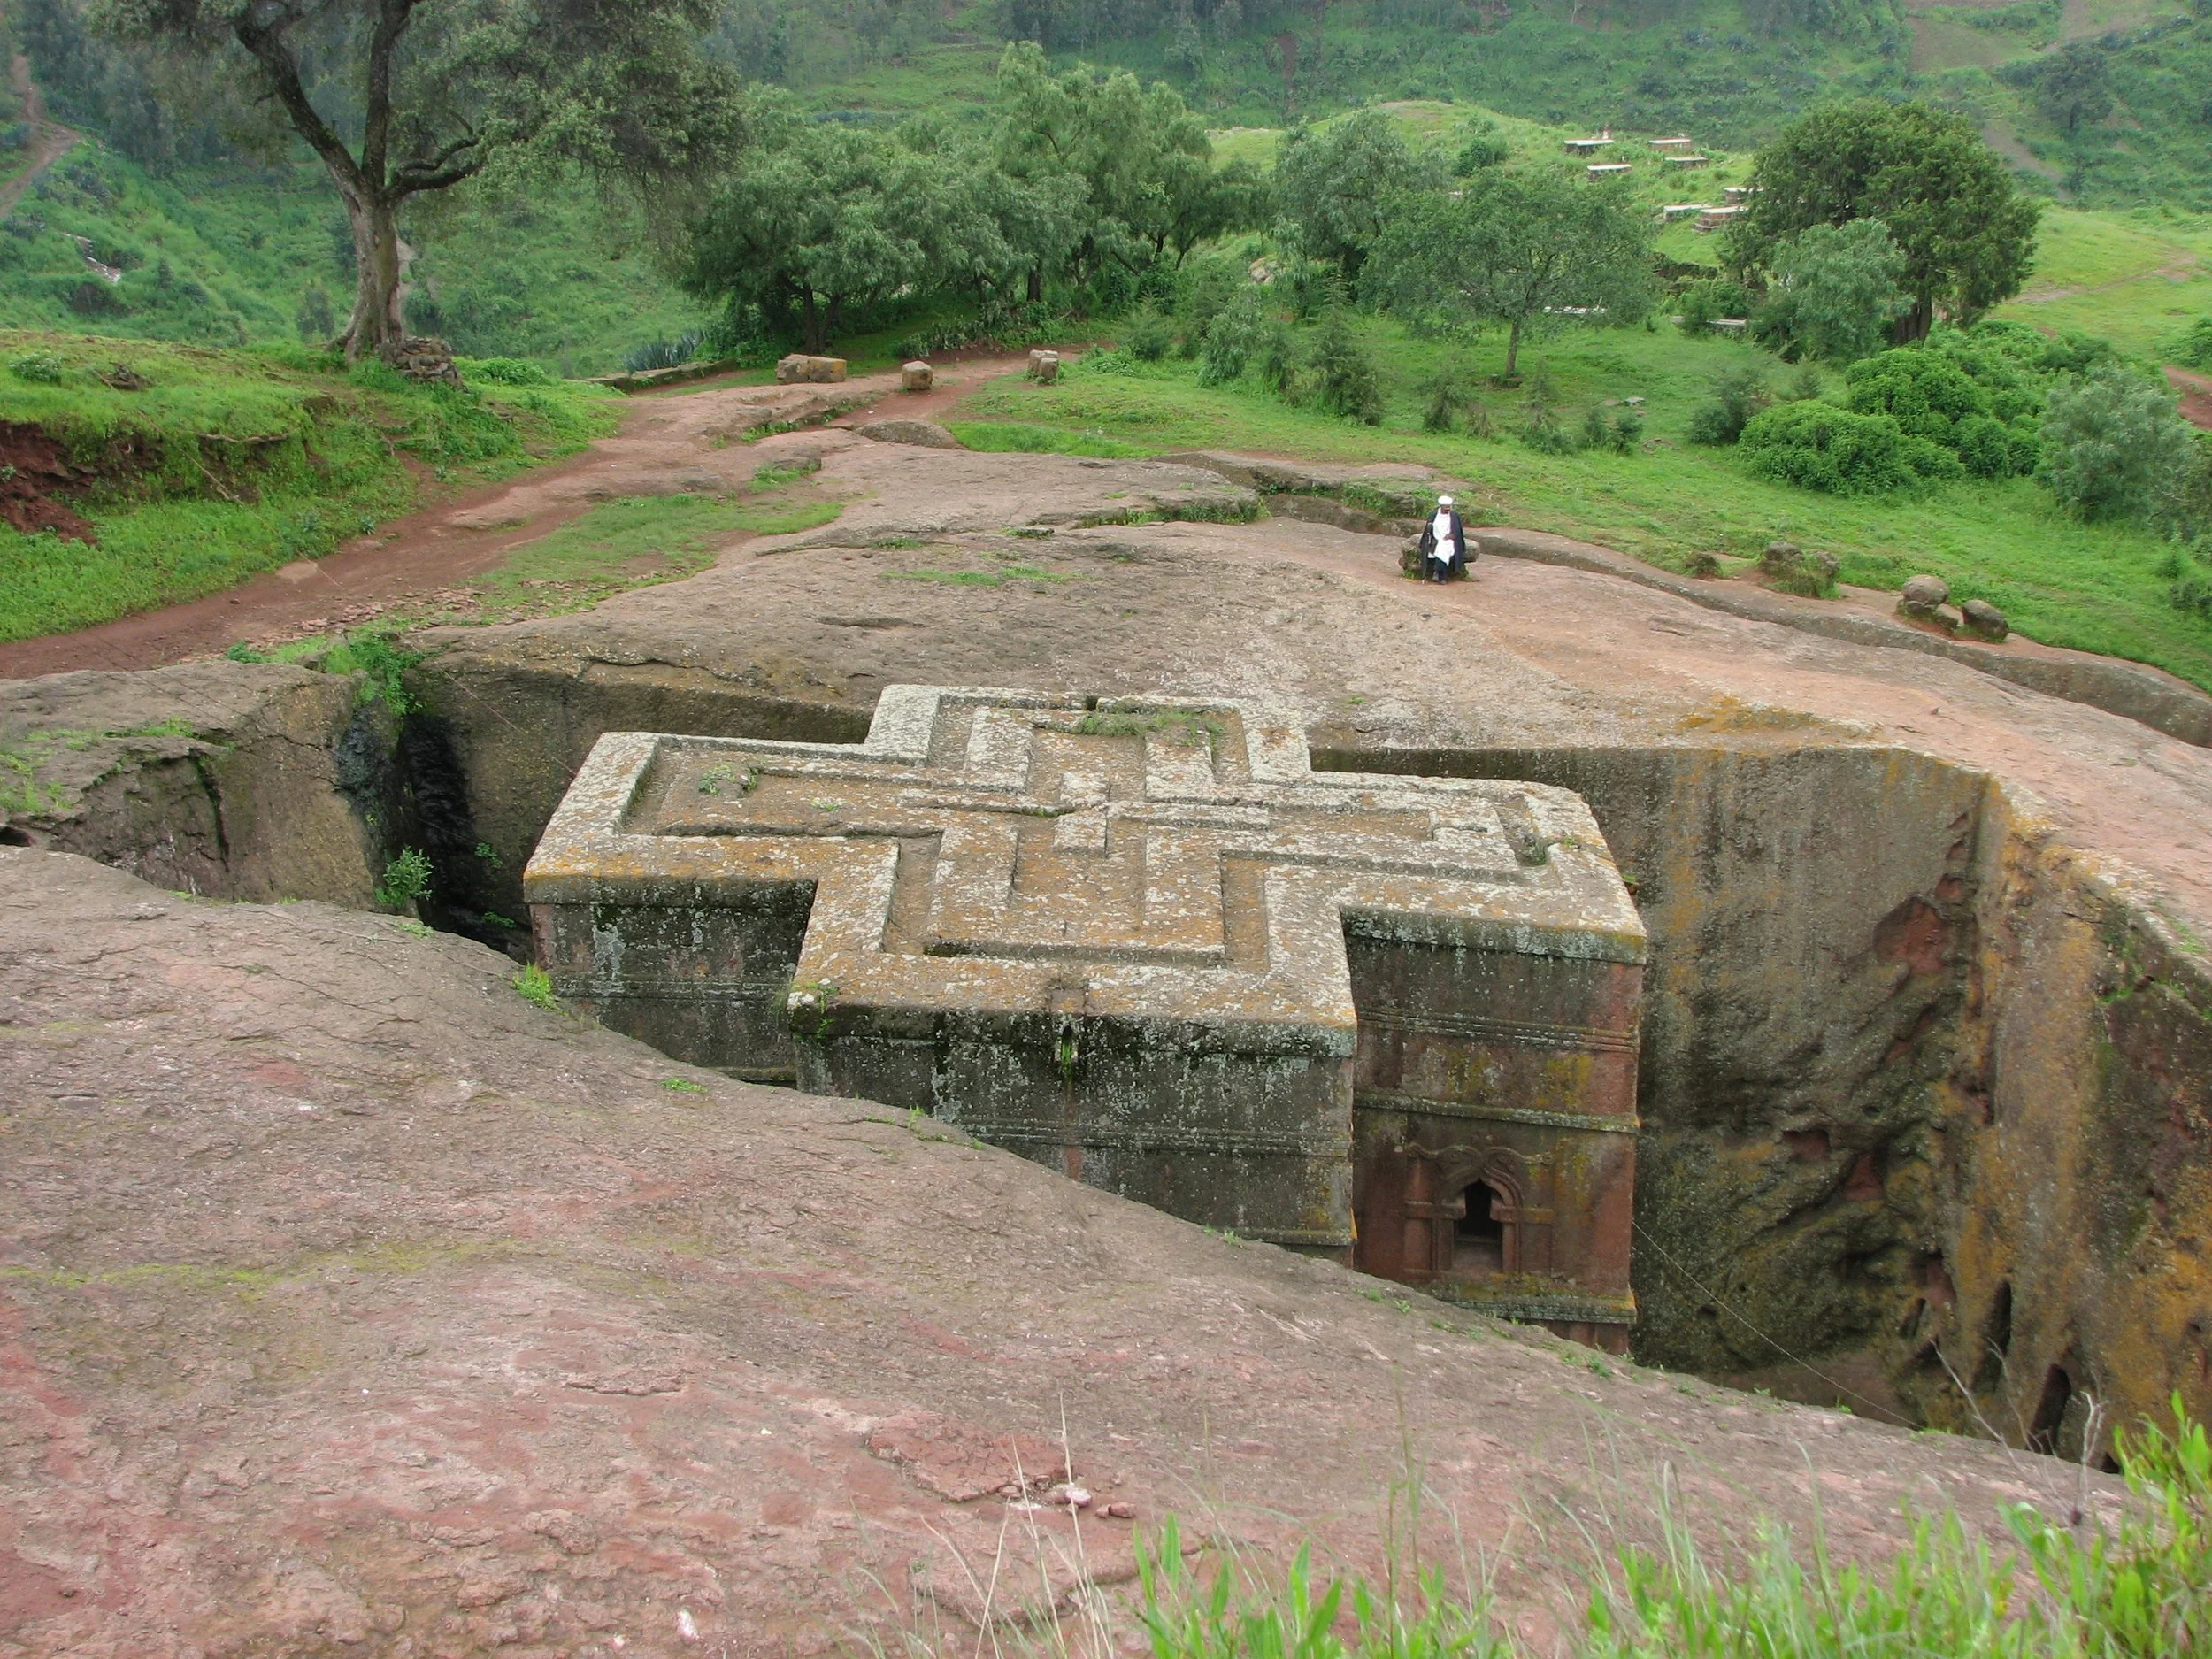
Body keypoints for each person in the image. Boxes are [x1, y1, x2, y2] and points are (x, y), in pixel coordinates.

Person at [1417, 495, 1468, 582]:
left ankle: (1437, 572)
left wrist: (1452, 535)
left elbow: (1458, 531)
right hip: (1436, 538)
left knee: (1445, 546)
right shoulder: (1434, 515)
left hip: (1449, 539)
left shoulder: (1454, 515)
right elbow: (1428, 530)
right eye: (1446, 507)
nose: (1447, 509)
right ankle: (1443, 576)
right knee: (1441, 546)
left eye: (1449, 507)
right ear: (1441, 507)